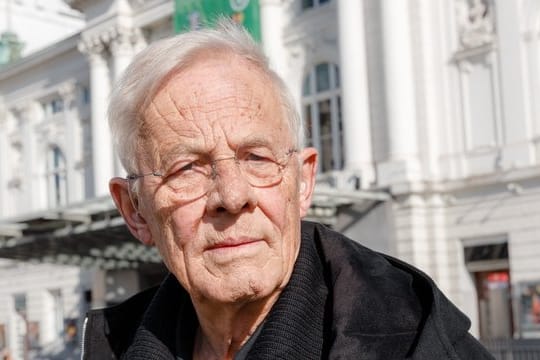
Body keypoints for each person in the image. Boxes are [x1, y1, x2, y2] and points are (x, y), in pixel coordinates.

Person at [82, 20, 494, 360]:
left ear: (304, 182)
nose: (232, 196)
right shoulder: (113, 345)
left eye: (257, 158)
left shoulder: (412, 341)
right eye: (187, 167)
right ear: (134, 210)